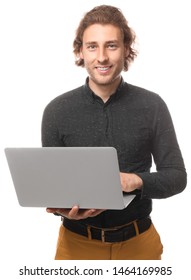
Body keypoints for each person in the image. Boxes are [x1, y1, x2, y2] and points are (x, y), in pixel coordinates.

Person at [41, 5, 187, 260]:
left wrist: (135, 181)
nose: (102, 57)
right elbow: (55, 188)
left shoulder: (152, 105)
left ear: (126, 49)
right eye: (92, 46)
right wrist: (63, 210)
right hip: (76, 245)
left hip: (139, 243)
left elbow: (177, 177)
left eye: (111, 45)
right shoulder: (56, 111)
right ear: (80, 51)